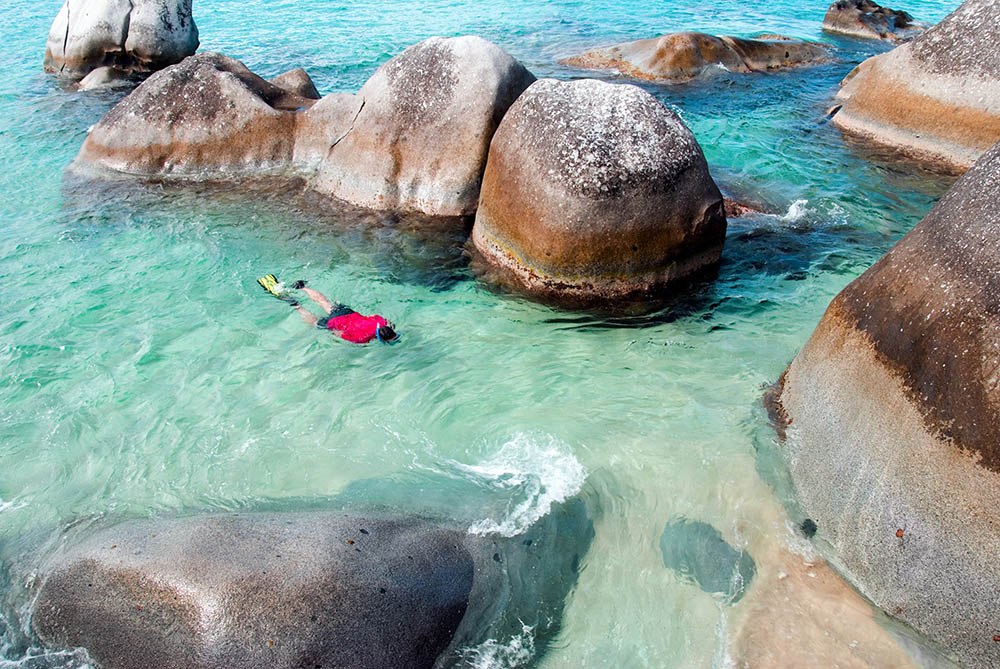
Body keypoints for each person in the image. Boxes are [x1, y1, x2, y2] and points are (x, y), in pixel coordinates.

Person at [257, 275, 399, 344]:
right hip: (336, 323)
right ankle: (296, 305)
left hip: (346, 313)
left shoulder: (381, 321)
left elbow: (373, 315)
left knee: (323, 301)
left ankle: (301, 287)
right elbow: (338, 333)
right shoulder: (361, 339)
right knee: (313, 322)